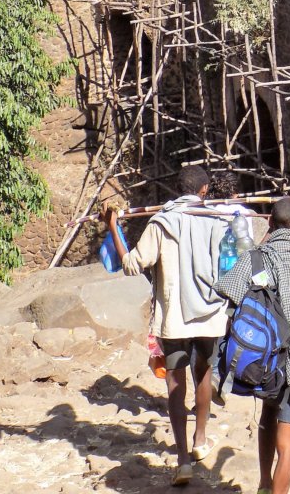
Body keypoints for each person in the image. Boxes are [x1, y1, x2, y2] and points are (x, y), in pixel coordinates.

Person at [112, 165, 229, 487]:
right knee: (204, 373)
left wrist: (113, 227)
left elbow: (133, 265)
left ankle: (183, 461)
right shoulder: (219, 220)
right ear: (205, 190)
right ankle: (200, 439)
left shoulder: (161, 222)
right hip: (210, 315)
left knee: (176, 386)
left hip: (175, 319)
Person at [214, 197, 290, 494]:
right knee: (288, 440)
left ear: (269, 222)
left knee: (267, 415)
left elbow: (227, 291)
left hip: (266, 360)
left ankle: (264, 484)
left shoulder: (256, 257)